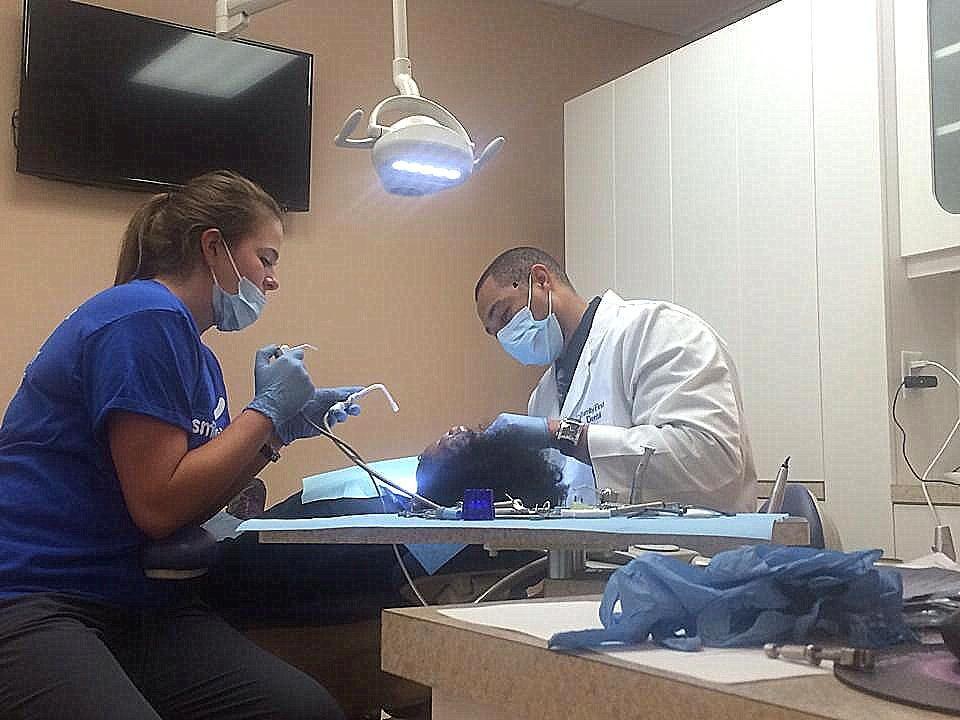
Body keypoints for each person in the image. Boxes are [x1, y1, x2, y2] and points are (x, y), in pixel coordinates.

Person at [0, 171, 355, 720]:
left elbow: (192, 500)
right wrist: (264, 413)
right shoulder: (143, 317)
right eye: (265, 259)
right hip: (35, 593)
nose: (272, 280)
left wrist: (273, 436)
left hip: (132, 601)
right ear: (213, 247)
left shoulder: (199, 357)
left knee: (305, 709)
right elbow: (158, 507)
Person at [474, 246, 757, 513]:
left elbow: (711, 461)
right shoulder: (543, 397)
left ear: (540, 280)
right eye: (495, 332)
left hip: (689, 546)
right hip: (592, 548)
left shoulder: (658, 329)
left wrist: (565, 435)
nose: (506, 336)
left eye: (505, 315)